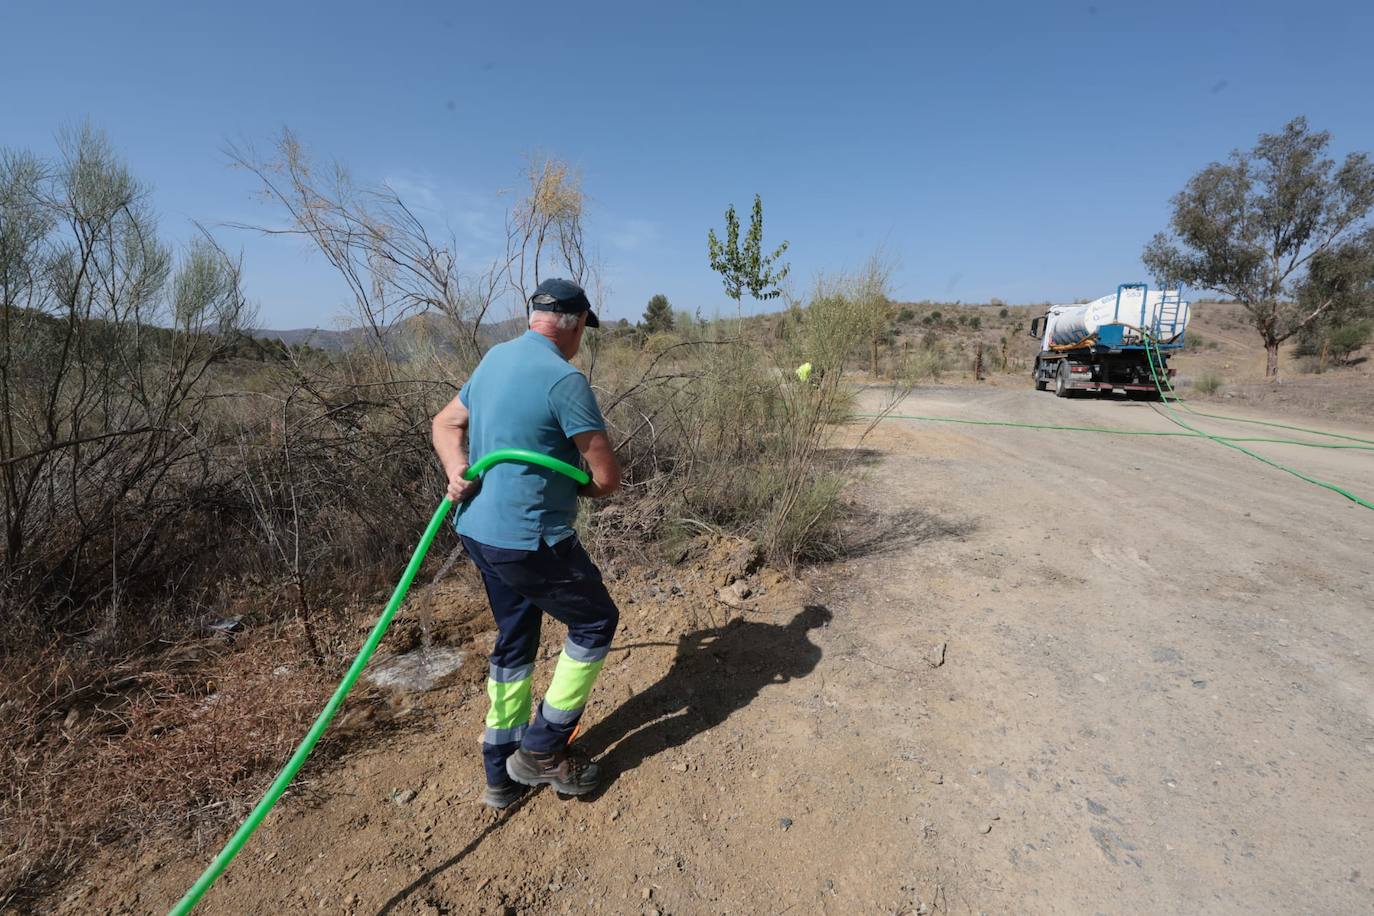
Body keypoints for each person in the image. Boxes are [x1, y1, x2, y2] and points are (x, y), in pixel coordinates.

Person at [431, 278, 623, 808]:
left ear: (534, 316)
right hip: (531, 540)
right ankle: (541, 748)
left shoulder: (495, 358)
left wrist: (457, 467)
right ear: (577, 323)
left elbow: (446, 423)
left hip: (478, 533)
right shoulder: (565, 380)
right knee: (594, 620)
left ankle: (501, 772)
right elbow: (606, 478)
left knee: (516, 639)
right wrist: (581, 483)